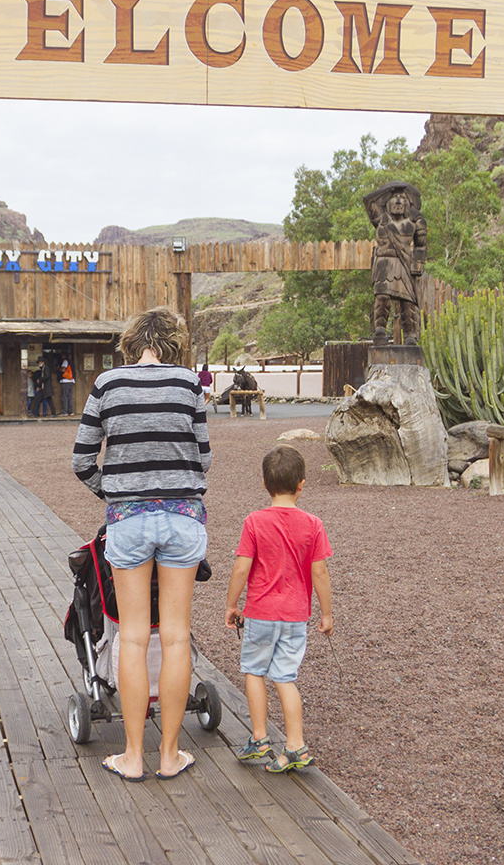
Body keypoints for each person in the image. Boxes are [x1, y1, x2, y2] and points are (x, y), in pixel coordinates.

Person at [72, 306, 210, 782]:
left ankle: (132, 756)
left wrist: (114, 494)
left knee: (132, 636)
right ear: (173, 343)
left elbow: (81, 460)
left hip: (128, 521)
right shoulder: (189, 384)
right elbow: (203, 458)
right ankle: (170, 754)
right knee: (175, 636)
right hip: (183, 517)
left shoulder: (107, 384)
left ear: (131, 343)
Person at [224, 444, 333, 774]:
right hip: (296, 615)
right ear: (302, 485)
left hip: (260, 612)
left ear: (264, 484)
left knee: (254, 671)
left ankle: (260, 738)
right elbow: (320, 573)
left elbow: (241, 568)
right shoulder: (313, 524)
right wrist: (327, 614)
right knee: (285, 677)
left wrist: (232, 604)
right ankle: (295, 744)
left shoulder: (255, 522)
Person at [365, 181, 428, 345]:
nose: (399, 200)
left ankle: (410, 335)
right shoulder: (381, 219)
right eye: (394, 197)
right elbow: (368, 201)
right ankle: (379, 330)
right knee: (382, 297)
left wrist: (418, 262)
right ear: (387, 201)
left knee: (408, 302)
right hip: (384, 263)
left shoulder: (415, 222)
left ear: (409, 203)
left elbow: (421, 245)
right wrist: (388, 188)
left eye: (403, 197)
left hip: (405, 263)